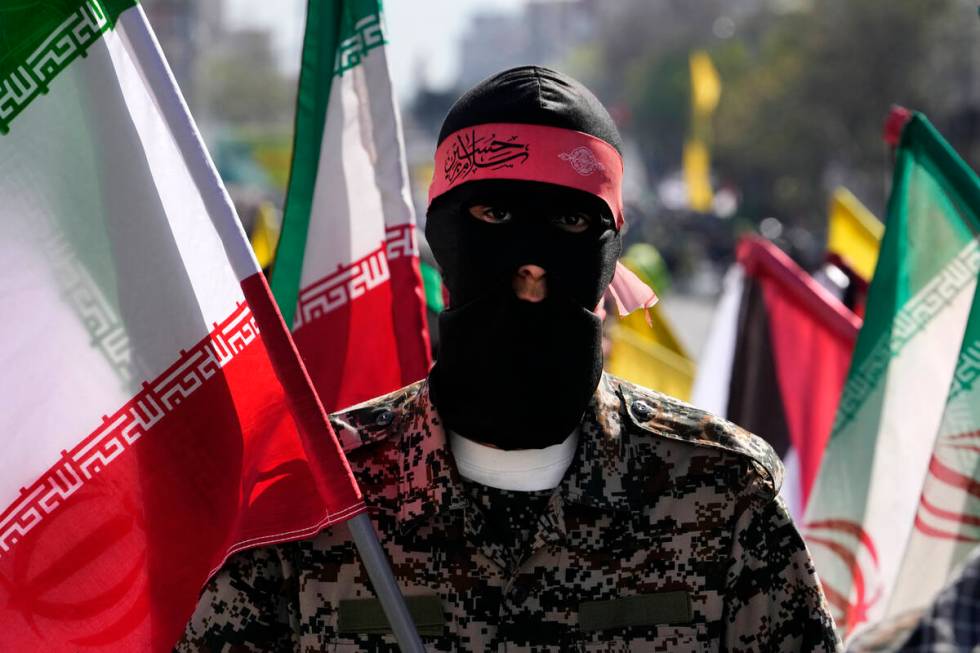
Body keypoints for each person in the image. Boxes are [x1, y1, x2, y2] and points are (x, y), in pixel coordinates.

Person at [177, 66, 840, 652]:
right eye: (495, 214)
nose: (531, 265)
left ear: (612, 247)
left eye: (572, 225)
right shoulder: (314, 492)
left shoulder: (722, 491)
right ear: (441, 232)